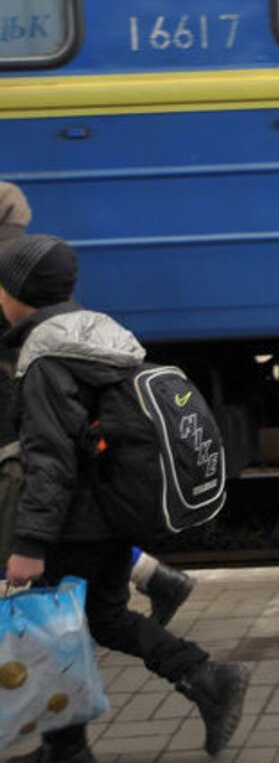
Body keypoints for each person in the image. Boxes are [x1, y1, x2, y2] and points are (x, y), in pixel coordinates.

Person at [0, 235, 249, 763]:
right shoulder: (95, 330)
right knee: (102, 616)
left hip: (78, 519)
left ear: (17, 292)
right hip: (114, 505)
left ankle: (67, 754)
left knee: (50, 627)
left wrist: (30, 544)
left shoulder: (43, 359)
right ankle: (206, 679)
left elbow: (51, 461)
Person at [0, 181, 194, 630]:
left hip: (20, 394)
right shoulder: (24, 256)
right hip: (24, 394)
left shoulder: (11, 271)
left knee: (26, 493)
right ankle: (153, 576)